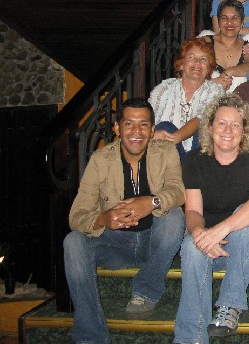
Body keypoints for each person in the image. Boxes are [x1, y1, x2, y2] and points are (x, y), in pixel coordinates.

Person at [64, 98, 185, 344]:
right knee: (73, 242)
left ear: (152, 129)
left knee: (174, 217)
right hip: (115, 246)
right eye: (129, 124)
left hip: (153, 241)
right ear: (117, 128)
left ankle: (146, 291)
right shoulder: (100, 160)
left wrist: (151, 202)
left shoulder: (166, 151)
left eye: (143, 124)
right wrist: (103, 218)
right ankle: (90, 337)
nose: (136, 131)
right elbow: (76, 215)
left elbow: (178, 191)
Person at [174, 94, 249, 343]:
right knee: (190, 246)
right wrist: (199, 233)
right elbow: (193, 212)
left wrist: (221, 229)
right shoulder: (195, 160)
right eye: (221, 123)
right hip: (211, 248)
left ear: (244, 130)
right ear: (210, 127)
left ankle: (230, 305)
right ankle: (192, 338)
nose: (228, 131)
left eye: (235, 125)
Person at [149, 38, 225, 157]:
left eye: (203, 59)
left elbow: (200, 120)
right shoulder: (164, 88)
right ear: (181, 65)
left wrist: (172, 139)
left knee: (205, 129)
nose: (197, 63)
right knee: (164, 126)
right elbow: (147, 121)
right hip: (168, 157)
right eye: (191, 57)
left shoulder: (215, 90)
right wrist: (152, 134)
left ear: (209, 69)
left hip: (198, 156)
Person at [200, 0, 249, 93]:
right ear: (218, 21)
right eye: (224, 18)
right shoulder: (206, 42)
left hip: (238, 100)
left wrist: (230, 72)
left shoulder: (247, 46)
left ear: (242, 22)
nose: (229, 23)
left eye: (234, 18)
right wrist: (213, 82)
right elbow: (189, 69)